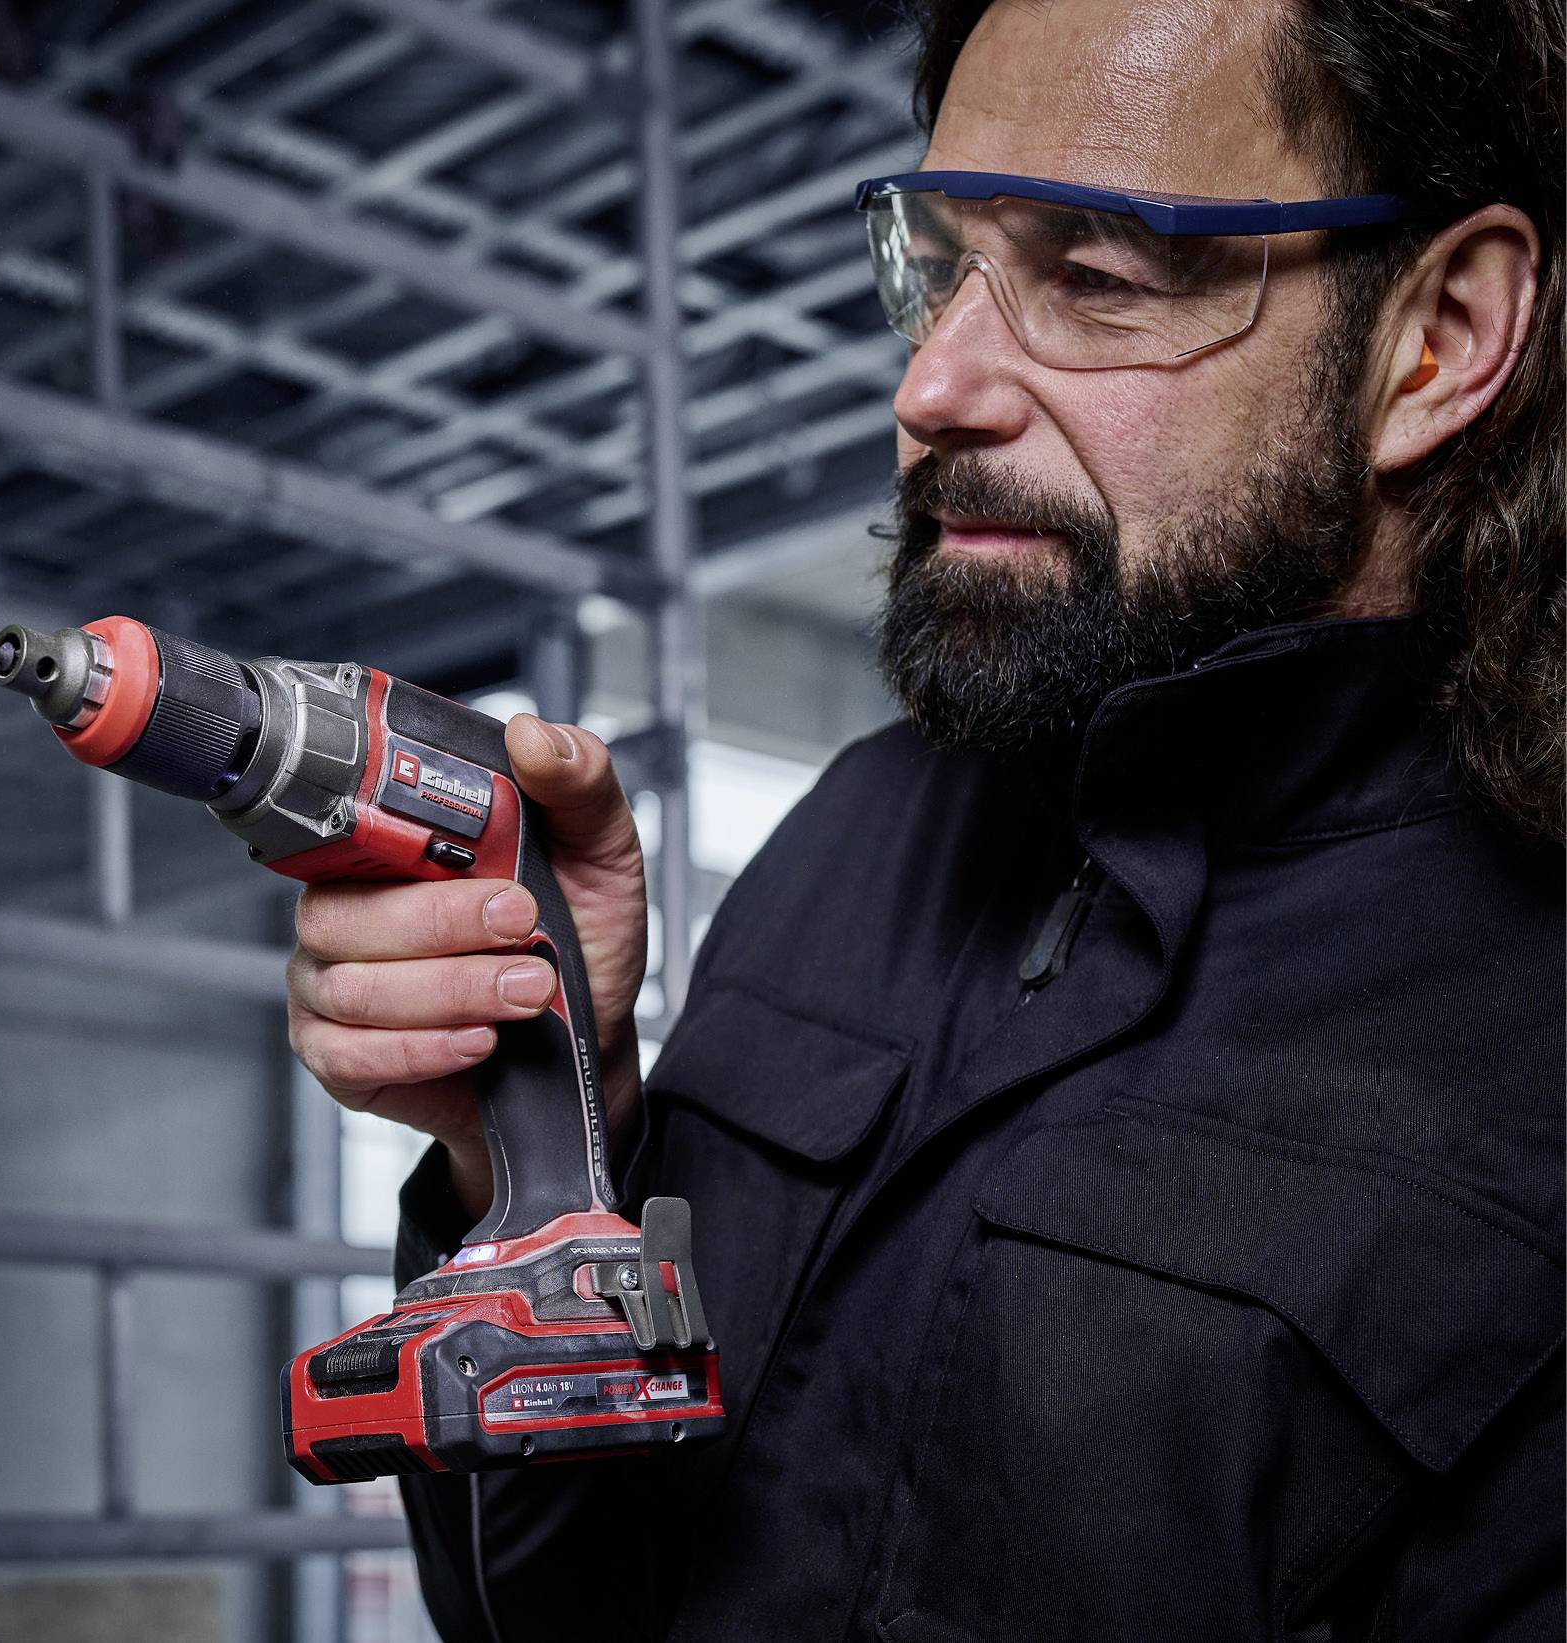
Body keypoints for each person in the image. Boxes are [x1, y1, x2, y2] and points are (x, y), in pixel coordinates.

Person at [285, 0, 1564, 1635]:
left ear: (1438, 337)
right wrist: (541, 1134)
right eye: (946, 262)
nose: (934, 385)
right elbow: (554, 1609)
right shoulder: (856, 839)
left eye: (1095, 274)